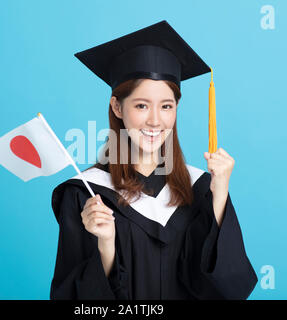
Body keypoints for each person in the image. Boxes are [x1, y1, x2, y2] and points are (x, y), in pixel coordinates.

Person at [50, 20, 258, 300]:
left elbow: (226, 289)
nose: (155, 120)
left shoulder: (200, 188)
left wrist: (219, 196)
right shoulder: (85, 194)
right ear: (117, 107)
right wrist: (107, 246)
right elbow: (74, 299)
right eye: (141, 105)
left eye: (166, 106)